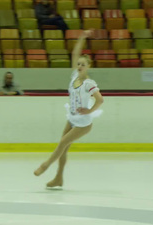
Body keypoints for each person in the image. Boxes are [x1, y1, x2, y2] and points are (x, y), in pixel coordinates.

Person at [33, 30, 104, 189]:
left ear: (88, 67)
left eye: (83, 65)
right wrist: (82, 37)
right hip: (72, 118)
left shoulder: (89, 83)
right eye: (78, 64)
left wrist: (89, 111)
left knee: (63, 142)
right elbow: (75, 53)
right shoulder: (74, 76)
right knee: (63, 149)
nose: (79, 66)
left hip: (83, 123)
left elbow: (100, 100)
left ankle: (45, 165)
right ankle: (59, 178)